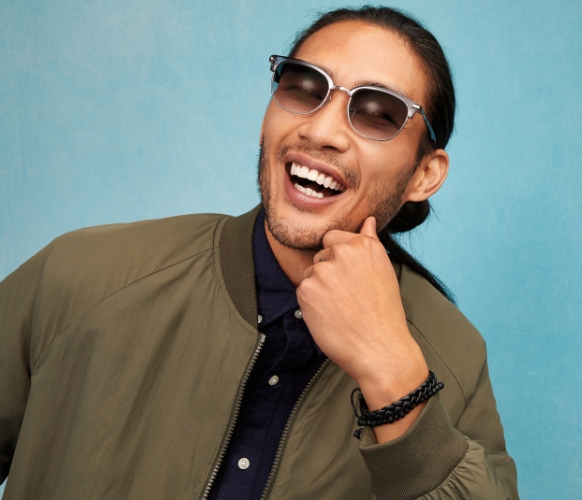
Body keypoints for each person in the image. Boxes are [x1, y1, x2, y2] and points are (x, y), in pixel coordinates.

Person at [0, 6, 517, 499]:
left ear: (425, 175)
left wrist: (393, 374)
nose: (320, 130)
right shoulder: (83, 278)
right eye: (303, 87)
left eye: (379, 114)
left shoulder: (454, 358)